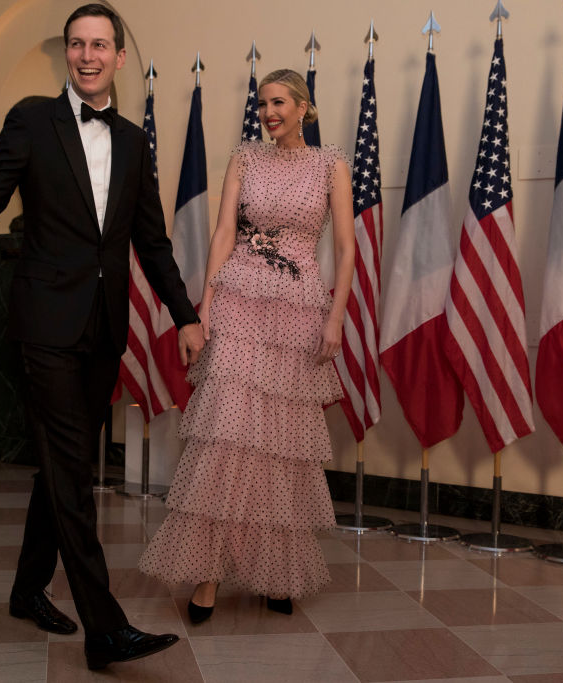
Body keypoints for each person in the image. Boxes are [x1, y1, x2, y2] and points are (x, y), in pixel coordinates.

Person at [0, 3, 204, 670]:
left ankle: (28, 588)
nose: (87, 55)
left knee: (61, 463)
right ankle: (105, 626)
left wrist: (186, 313)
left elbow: (150, 240)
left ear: (117, 56)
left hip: (103, 327)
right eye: (76, 44)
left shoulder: (137, 143)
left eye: (99, 44)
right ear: (68, 54)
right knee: (73, 472)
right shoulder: (30, 118)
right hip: (45, 327)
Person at [138, 68, 354, 620]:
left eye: (278, 103)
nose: (268, 113)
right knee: (226, 438)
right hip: (237, 303)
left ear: (303, 107)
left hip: (300, 309)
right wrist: (204, 310)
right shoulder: (244, 157)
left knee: (280, 445)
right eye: (262, 105)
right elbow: (224, 234)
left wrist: (336, 319)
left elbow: (349, 252)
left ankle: (274, 572)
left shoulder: (332, 165)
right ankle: (208, 577)